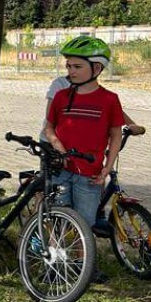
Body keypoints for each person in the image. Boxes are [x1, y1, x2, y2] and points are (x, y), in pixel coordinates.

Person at [43, 36, 124, 282]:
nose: (71, 71)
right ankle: (55, 265)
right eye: (68, 66)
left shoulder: (109, 100)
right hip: (61, 170)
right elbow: (49, 127)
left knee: (85, 223)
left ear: (96, 68)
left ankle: (83, 266)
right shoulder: (61, 96)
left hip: (89, 174)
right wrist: (57, 145)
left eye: (77, 66)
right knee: (57, 219)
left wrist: (106, 170)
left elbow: (115, 135)